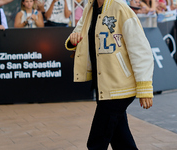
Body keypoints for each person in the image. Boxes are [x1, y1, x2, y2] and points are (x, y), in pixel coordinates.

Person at [65, 0, 154, 149]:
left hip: (119, 87)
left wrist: (145, 86)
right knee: (121, 141)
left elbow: (140, 50)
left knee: (96, 142)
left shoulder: (120, 8)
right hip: (103, 85)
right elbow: (77, 33)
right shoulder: (90, 8)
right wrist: (73, 41)